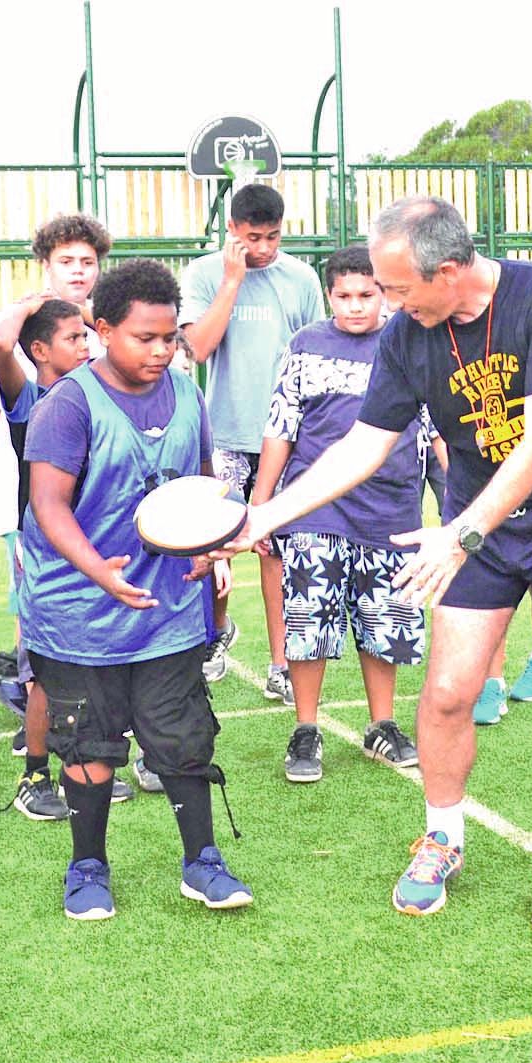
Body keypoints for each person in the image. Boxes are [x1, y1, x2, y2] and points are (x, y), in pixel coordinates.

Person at [222, 196, 532, 932]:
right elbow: (362, 445)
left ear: (448, 271)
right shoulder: (409, 336)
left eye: (400, 288)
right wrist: (264, 513)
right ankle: (443, 834)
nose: (389, 303)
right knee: (444, 691)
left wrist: (460, 531)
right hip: (477, 522)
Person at [20, 259, 249, 921]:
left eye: (169, 337)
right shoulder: (68, 404)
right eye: (143, 338)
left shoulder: (186, 393)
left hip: (169, 609)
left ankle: (201, 860)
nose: (160, 351)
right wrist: (99, 570)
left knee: (182, 738)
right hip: (80, 614)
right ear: (99, 330)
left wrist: (210, 543)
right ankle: (87, 866)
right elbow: (49, 506)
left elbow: (203, 483)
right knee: (88, 744)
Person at [0, 214, 134, 812]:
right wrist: (25, 307)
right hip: (49, 551)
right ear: (41, 351)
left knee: (108, 659)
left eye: (90, 338)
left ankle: (98, 756)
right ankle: (35, 775)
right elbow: (3, 346)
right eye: (75, 339)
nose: (86, 346)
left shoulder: (101, 390)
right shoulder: (30, 397)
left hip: (101, 538)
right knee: (46, 669)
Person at [250, 245, 427, 782]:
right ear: (328, 295)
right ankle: (306, 730)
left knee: (384, 620)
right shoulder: (305, 346)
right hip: (315, 510)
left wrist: (460, 505)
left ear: (385, 295)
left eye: (366, 295)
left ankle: (383, 725)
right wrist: (262, 506)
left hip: (392, 510)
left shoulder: (409, 343)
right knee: (309, 622)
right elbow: (281, 425)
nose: (355, 306)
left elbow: (434, 429)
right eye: (344, 296)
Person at [181, 183, 325, 702]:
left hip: (286, 439)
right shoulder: (203, 274)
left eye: (273, 237)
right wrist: (232, 280)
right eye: (253, 238)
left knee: (275, 550)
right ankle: (214, 636)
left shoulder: (302, 278)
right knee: (208, 546)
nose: (264, 247)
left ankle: (281, 663)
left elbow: (315, 355)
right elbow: (196, 347)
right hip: (224, 434)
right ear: (233, 233)